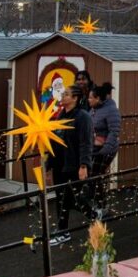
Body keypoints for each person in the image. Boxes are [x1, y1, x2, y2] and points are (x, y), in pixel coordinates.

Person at [47, 84, 94, 244]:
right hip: (59, 163)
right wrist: (48, 164)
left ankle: (90, 217)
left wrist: (83, 165)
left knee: (71, 197)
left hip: (74, 163)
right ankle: (63, 229)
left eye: (66, 94)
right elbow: (55, 141)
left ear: (75, 98)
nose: (63, 96)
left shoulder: (82, 117)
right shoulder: (61, 115)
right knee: (61, 196)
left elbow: (86, 142)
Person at [88, 82, 121, 213]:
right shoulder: (94, 109)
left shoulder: (111, 110)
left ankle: (102, 205)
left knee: (95, 175)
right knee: (95, 176)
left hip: (106, 148)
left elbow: (114, 131)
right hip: (95, 147)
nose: (89, 100)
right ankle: (99, 203)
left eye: (91, 98)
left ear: (98, 98)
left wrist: (106, 149)